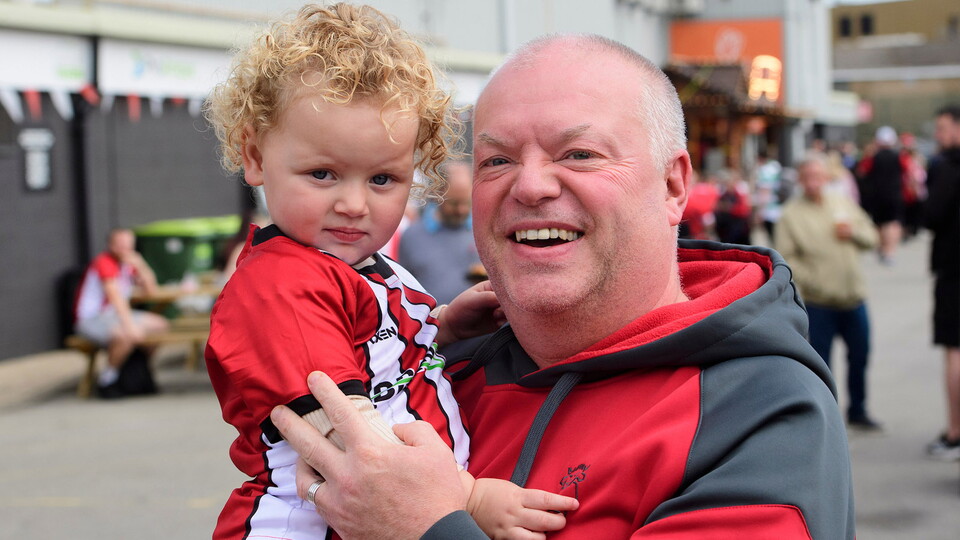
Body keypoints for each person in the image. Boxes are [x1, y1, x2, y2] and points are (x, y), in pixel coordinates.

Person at [272, 34, 856, 538]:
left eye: (579, 154)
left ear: (673, 185)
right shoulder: (435, 377)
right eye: (496, 161)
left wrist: (427, 529)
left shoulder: (756, 408)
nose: (530, 186)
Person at [202, 4, 575, 540]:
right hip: (309, 524)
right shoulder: (282, 285)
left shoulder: (359, 266)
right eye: (323, 173)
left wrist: (443, 327)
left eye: (382, 179)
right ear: (255, 157)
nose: (354, 204)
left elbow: (375, 358)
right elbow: (345, 435)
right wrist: (468, 498)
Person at [775, 152, 882, 431]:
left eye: (818, 177)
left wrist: (854, 234)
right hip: (819, 303)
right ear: (800, 180)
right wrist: (816, 281)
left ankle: (858, 409)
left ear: (826, 178)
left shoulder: (841, 203)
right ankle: (827, 417)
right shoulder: (791, 215)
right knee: (821, 365)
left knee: (860, 356)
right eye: (807, 178)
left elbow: (871, 237)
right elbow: (787, 260)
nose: (813, 183)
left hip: (853, 297)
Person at [73, 228, 169, 398]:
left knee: (160, 325)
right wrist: (130, 326)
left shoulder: (128, 264)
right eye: (121, 245)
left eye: (128, 245)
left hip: (115, 316)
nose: (125, 249)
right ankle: (108, 378)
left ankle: (139, 371)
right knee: (126, 335)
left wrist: (141, 265)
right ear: (111, 245)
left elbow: (151, 291)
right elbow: (116, 298)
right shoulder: (104, 262)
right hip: (93, 318)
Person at [922, 104, 960, 461]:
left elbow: (931, 215)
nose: (939, 136)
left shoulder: (948, 167)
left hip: (954, 271)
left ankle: (955, 433)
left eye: (944, 128)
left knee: (955, 351)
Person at [398, 160, 482, 305]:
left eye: (467, 203)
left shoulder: (483, 231)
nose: (461, 209)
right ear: (438, 194)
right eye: (454, 203)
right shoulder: (411, 237)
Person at [857, 125, 904, 265]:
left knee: (879, 223)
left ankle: (882, 248)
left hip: (877, 195)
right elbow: (912, 173)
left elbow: (861, 172)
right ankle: (889, 251)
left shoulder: (873, 157)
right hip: (894, 194)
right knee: (892, 223)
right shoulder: (899, 157)